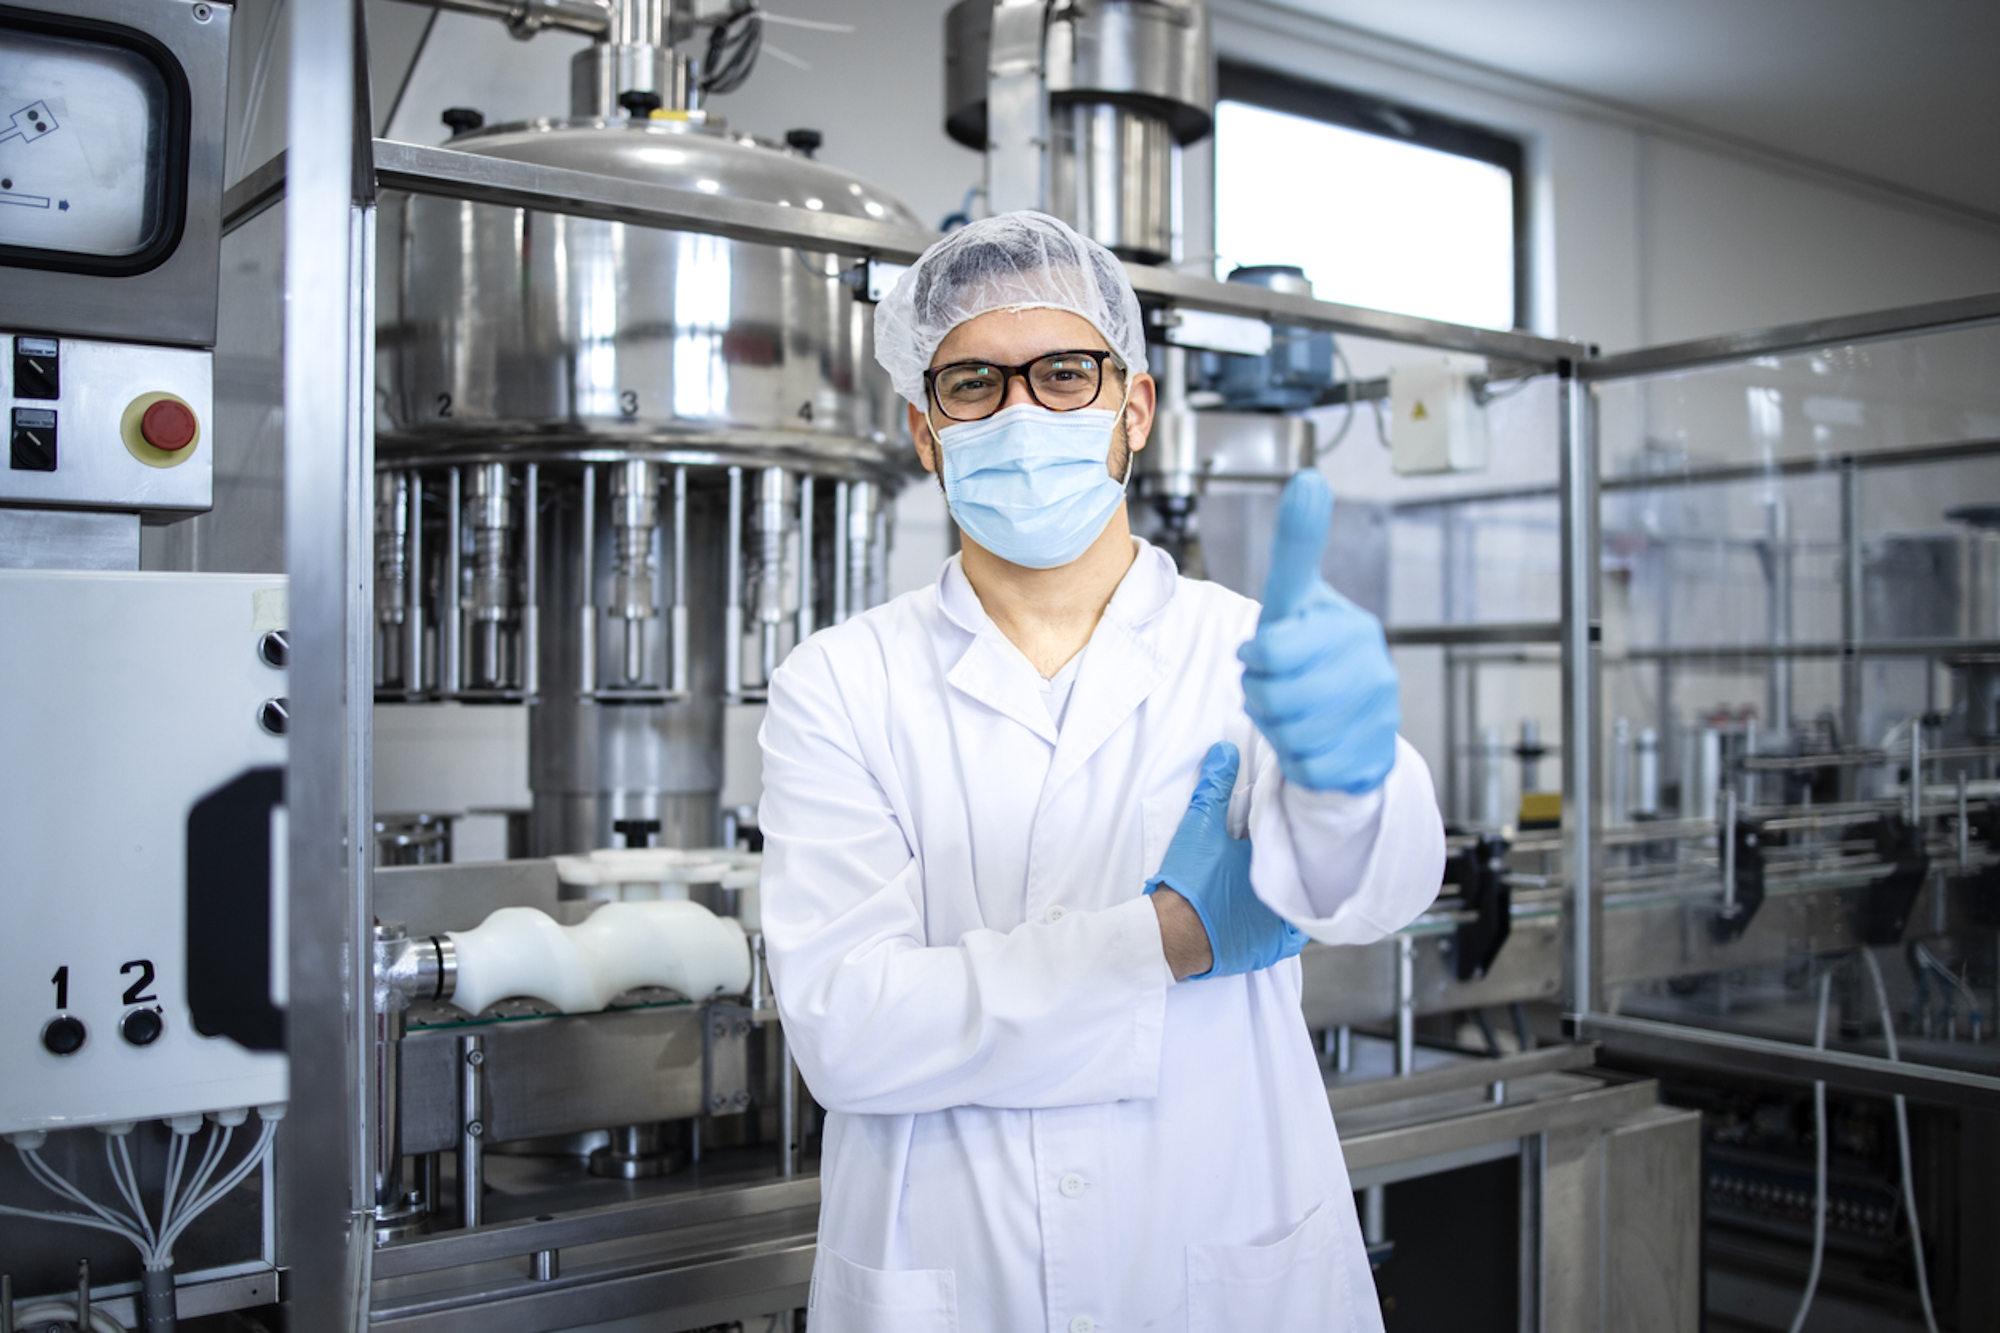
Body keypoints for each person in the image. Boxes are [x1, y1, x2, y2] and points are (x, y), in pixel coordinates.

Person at [759, 211, 1444, 1332]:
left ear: (1135, 408)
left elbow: (1367, 897)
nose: (1022, 413)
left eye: (1065, 373)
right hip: (952, 1272)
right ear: (926, 431)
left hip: (1223, 1254)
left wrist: (1350, 778)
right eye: (973, 383)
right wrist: (1165, 938)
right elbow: (848, 1033)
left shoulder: (1247, 652)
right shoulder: (839, 683)